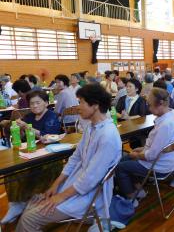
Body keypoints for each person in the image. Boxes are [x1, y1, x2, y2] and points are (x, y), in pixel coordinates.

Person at [15, 84, 122, 232]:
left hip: (89, 195)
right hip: (76, 186)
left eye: (81, 102)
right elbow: (75, 158)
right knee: (33, 202)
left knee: (29, 217)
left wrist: (60, 197)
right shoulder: (92, 127)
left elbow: (90, 179)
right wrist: (56, 185)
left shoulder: (107, 135)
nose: (77, 107)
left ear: (95, 105)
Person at [2, 91, 62, 225]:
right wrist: (20, 129)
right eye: (32, 103)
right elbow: (23, 138)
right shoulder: (29, 117)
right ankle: (16, 204)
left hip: (50, 156)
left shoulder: (51, 116)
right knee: (12, 170)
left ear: (46, 103)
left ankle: (29, 202)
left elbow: (50, 136)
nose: (34, 106)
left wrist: (28, 128)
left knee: (34, 170)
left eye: (38, 102)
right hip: (31, 153)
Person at [115, 88, 174, 204]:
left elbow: (151, 155)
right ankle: (138, 190)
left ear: (160, 104)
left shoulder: (165, 125)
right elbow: (158, 146)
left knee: (120, 167)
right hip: (166, 161)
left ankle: (131, 199)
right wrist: (142, 149)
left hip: (160, 166)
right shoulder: (171, 116)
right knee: (124, 160)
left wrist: (135, 155)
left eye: (150, 105)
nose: (148, 108)